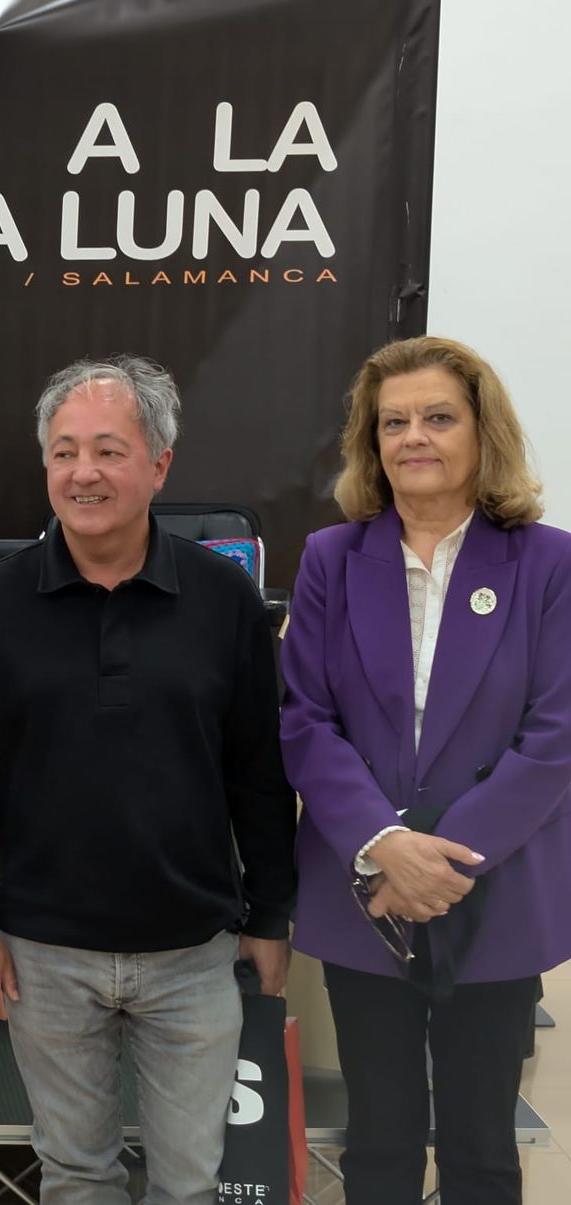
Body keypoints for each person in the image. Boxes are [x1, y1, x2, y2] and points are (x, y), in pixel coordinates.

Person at [0, 355, 297, 1205]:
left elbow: (260, 775)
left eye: (109, 451)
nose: (82, 472)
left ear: (159, 465)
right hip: (44, 956)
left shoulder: (226, 599)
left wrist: (270, 914)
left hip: (196, 953)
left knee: (192, 1185)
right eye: (64, 452)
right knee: (76, 1177)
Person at [279, 335, 571, 1205]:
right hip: (366, 891)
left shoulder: (549, 563)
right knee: (379, 1142)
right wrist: (385, 847)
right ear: (371, 442)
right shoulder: (332, 558)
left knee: (483, 1149)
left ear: (483, 433)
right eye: (393, 421)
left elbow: (555, 734)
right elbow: (304, 718)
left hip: (496, 886)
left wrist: (439, 863)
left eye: (438, 417)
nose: (413, 437)